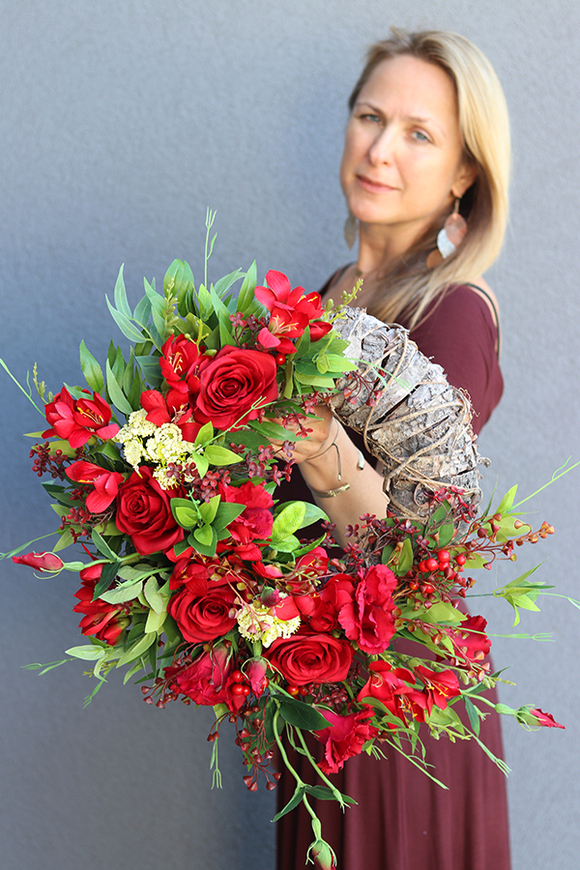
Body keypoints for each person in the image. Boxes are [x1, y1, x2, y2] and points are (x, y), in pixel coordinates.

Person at [275, 29, 511, 870]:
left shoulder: (452, 311)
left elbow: (411, 554)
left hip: (400, 700)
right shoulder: (326, 296)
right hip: (320, 681)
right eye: (370, 116)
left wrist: (308, 434)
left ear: (462, 174)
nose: (380, 148)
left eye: (420, 132)